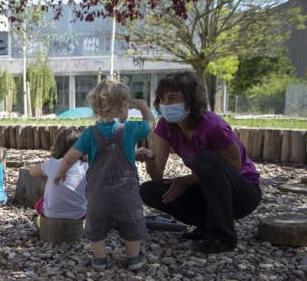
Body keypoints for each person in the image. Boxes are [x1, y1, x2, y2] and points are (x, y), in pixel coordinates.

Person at [139, 71, 261, 253]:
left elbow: (234, 166)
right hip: (207, 190)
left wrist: (186, 180)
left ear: (191, 99)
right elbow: (157, 175)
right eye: (162, 99)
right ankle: (205, 225)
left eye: (173, 98)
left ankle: (223, 235)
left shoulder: (213, 126)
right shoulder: (165, 126)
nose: (166, 104)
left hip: (243, 193)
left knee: (206, 159)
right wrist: (149, 158)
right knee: (149, 190)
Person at [54, 79, 154, 270]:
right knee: (131, 222)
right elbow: (151, 123)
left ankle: (100, 259)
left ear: (96, 109)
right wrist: (143, 107)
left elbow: (69, 158)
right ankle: (134, 258)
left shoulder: (90, 133)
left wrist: (60, 173)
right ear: (124, 106)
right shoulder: (130, 129)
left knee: (96, 225)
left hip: (98, 192)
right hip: (126, 193)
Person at [30, 126, 88, 223]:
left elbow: (32, 172)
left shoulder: (52, 163)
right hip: (79, 214)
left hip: (51, 214)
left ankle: (42, 223)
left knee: (40, 203)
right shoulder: (86, 167)